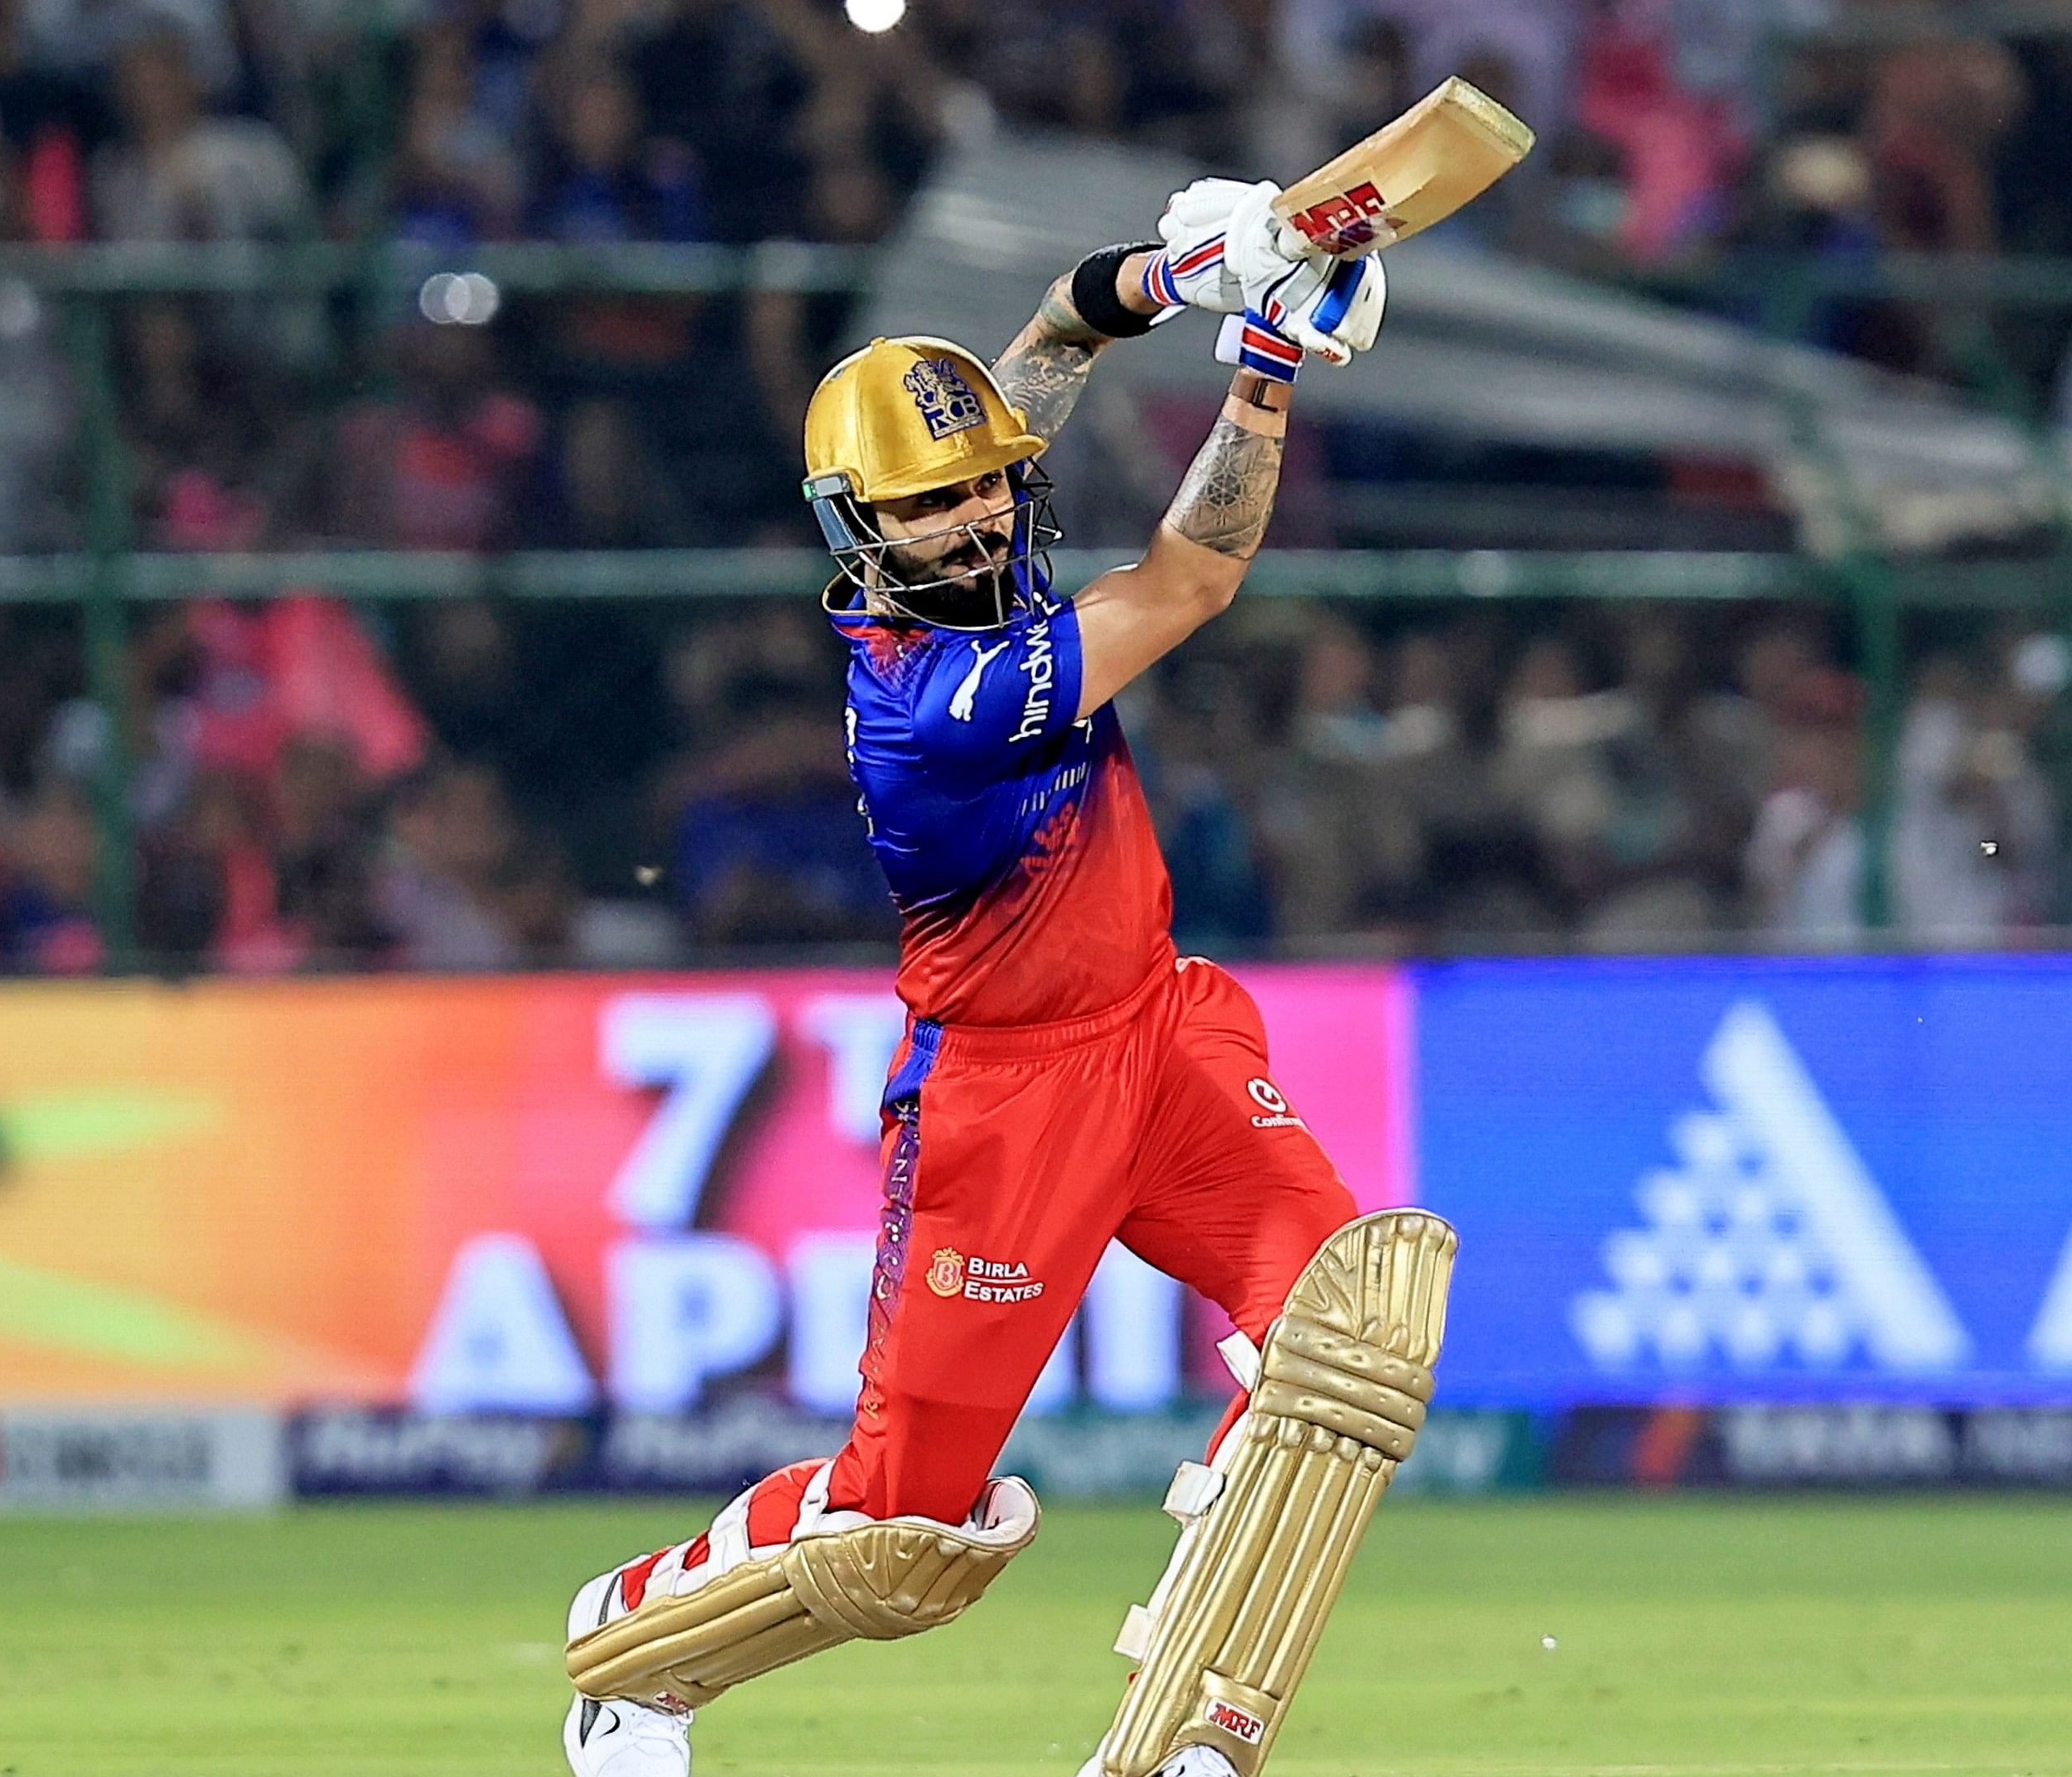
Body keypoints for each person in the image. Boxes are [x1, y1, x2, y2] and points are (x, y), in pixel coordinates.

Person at [553, 183, 1454, 1777]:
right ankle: (635, 1650)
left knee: (1351, 1332)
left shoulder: (990, 552)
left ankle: (1193, 1736)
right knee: (902, 1540)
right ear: (863, 532)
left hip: (1163, 1035)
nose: (974, 521)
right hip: (1004, 1098)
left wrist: (1184, 271)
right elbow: (1192, 580)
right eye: (932, 507)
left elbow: (1047, 335)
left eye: (985, 490)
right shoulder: (939, 704)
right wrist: (1261, 357)